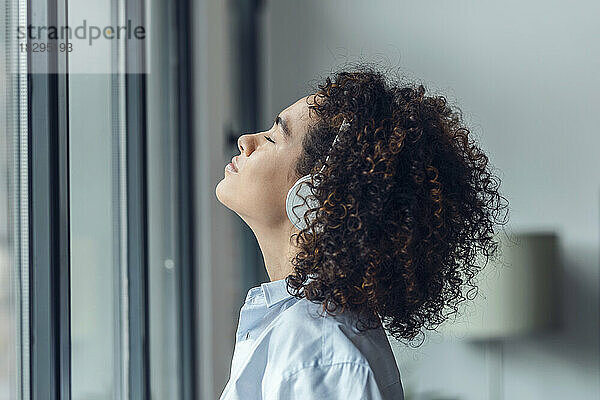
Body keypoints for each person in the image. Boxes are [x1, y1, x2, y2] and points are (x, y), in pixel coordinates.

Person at [215, 65, 509, 399]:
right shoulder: (314, 338)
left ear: (313, 198)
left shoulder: (317, 355)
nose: (244, 141)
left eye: (272, 138)